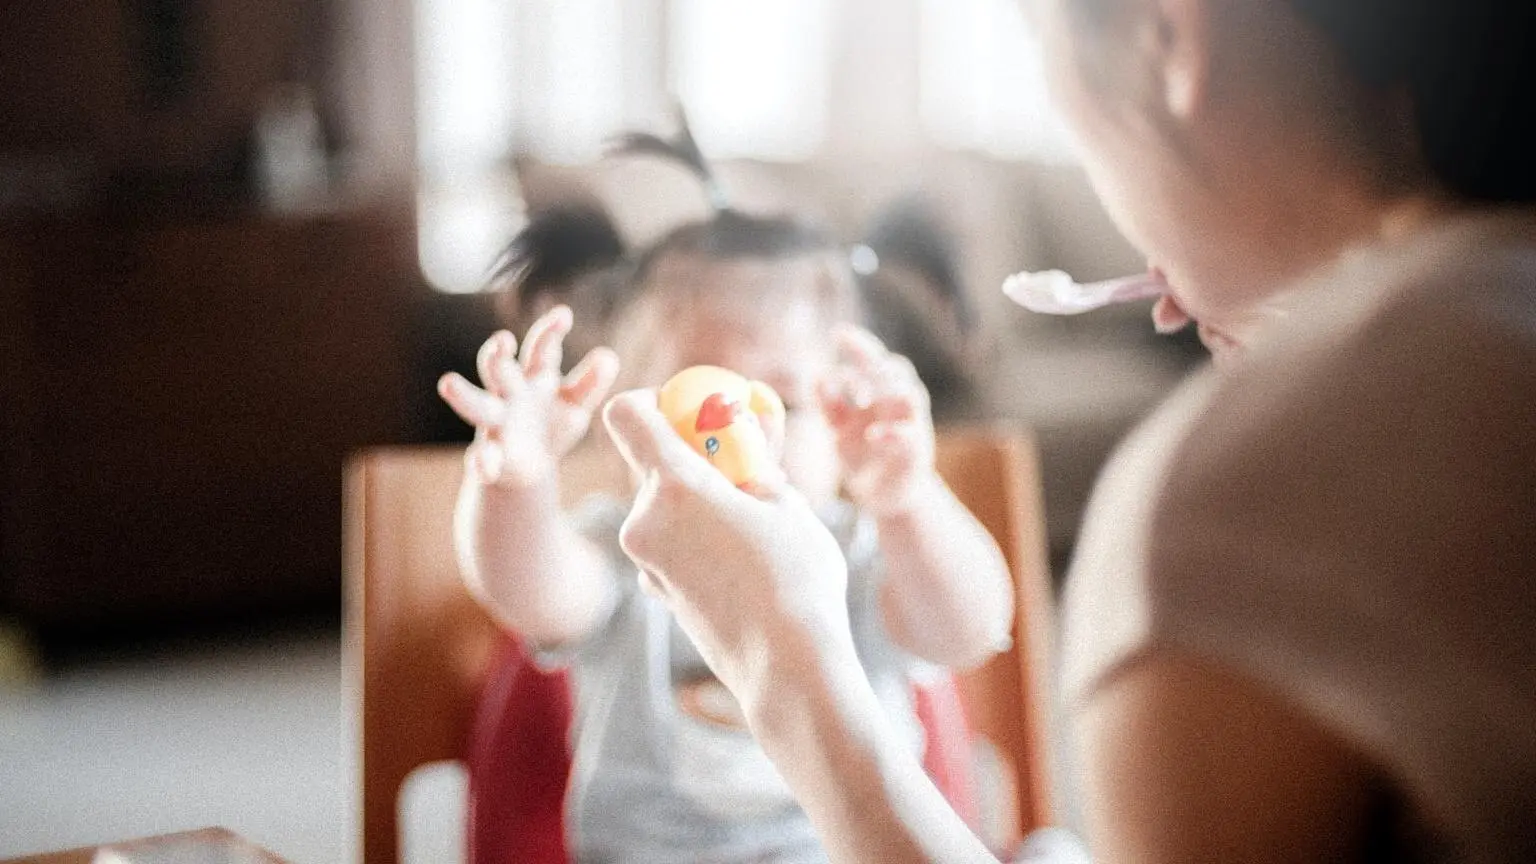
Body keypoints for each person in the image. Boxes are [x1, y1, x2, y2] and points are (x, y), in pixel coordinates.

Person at [593, 0, 1536, 862]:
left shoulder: (1228, 503)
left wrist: (783, 660)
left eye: (1031, 32)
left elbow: (971, 618)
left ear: (1172, 38)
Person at [436, 127, 1015, 863]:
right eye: (696, 400)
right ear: (628, 419)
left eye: (783, 402)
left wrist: (908, 498)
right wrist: (517, 483)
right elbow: (526, 589)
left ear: (840, 418)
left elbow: (970, 627)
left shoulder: (857, 555)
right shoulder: (631, 549)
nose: (736, 438)